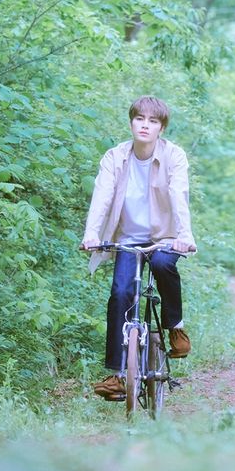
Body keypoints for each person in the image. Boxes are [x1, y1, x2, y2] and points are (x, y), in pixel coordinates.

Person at [80, 95, 196, 400]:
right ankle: (118, 374)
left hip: (165, 237)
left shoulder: (174, 156)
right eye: (139, 119)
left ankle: (175, 327)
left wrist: (185, 235)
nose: (145, 126)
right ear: (131, 122)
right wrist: (91, 234)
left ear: (161, 127)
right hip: (127, 240)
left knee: (161, 264)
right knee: (120, 293)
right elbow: (102, 196)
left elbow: (178, 194)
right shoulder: (115, 157)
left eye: (153, 121)